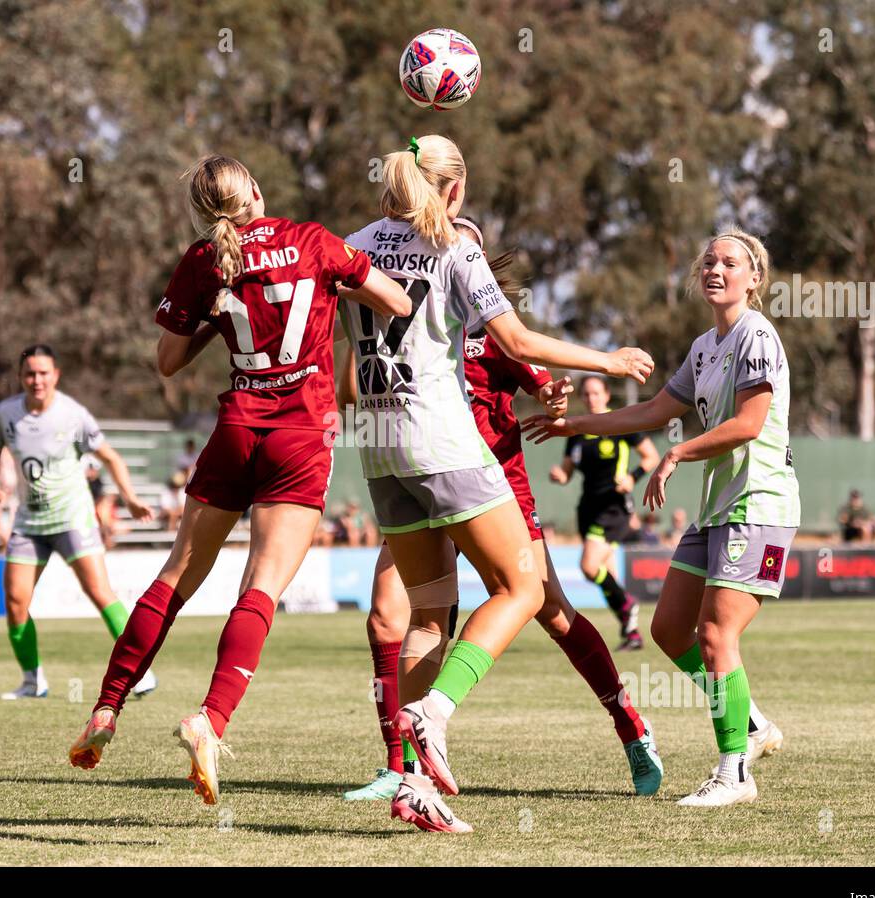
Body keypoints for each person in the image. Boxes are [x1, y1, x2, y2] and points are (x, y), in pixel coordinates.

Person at [68, 153, 413, 805]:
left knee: (174, 577)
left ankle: (106, 710)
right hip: (300, 432)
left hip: (235, 429)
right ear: (255, 189)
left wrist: (216, 312)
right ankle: (210, 719)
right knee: (260, 587)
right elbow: (395, 301)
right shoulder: (313, 240)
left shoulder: (205, 262)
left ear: (207, 211)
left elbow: (167, 361)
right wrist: (340, 287)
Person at [339, 135, 653, 832]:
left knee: (427, 614)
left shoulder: (353, 242)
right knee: (526, 587)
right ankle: (436, 709)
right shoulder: (454, 245)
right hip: (441, 439)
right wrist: (608, 357)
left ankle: (412, 786)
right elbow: (518, 342)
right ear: (453, 190)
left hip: (380, 446)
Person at [525, 226, 795, 807]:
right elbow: (651, 410)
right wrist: (573, 426)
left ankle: (734, 774)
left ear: (754, 278)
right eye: (708, 262)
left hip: (760, 504)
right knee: (670, 630)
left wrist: (678, 452)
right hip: (718, 506)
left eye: (729, 262)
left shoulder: (758, 336)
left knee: (717, 633)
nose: (715, 270)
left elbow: (749, 423)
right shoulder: (704, 348)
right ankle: (749, 726)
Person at [0, 344, 159, 700]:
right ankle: (33, 681)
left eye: (44, 373)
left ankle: (140, 673)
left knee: (99, 592)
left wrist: (130, 497)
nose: (37, 380)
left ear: (56, 375)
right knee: (16, 601)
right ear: (21, 377)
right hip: (29, 521)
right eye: (30, 373)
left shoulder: (73, 415)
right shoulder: (6, 414)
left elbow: (110, 457)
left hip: (72, 518)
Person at [549, 375, 660, 649]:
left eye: (596, 393)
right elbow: (566, 470)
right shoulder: (577, 431)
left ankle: (627, 604)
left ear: (607, 395)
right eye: (586, 394)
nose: (591, 398)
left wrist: (633, 477)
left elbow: (651, 456)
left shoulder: (621, 422)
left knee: (588, 567)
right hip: (587, 507)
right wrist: (558, 475)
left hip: (613, 506)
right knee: (607, 573)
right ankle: (631, 632)